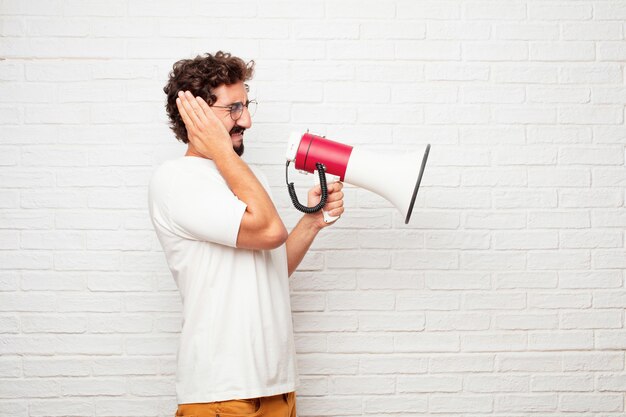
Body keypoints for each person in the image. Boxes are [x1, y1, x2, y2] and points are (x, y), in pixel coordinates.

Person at [148, 51, 344, 417]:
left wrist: (312, 221)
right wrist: (223, 152)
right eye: (234, 108)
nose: (248, 120)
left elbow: (270, 268)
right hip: (222, 394)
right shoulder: (176, 180)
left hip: (278, 389)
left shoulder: (250, 180)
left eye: (247, 105)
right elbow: (270, 230)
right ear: (198, 114)